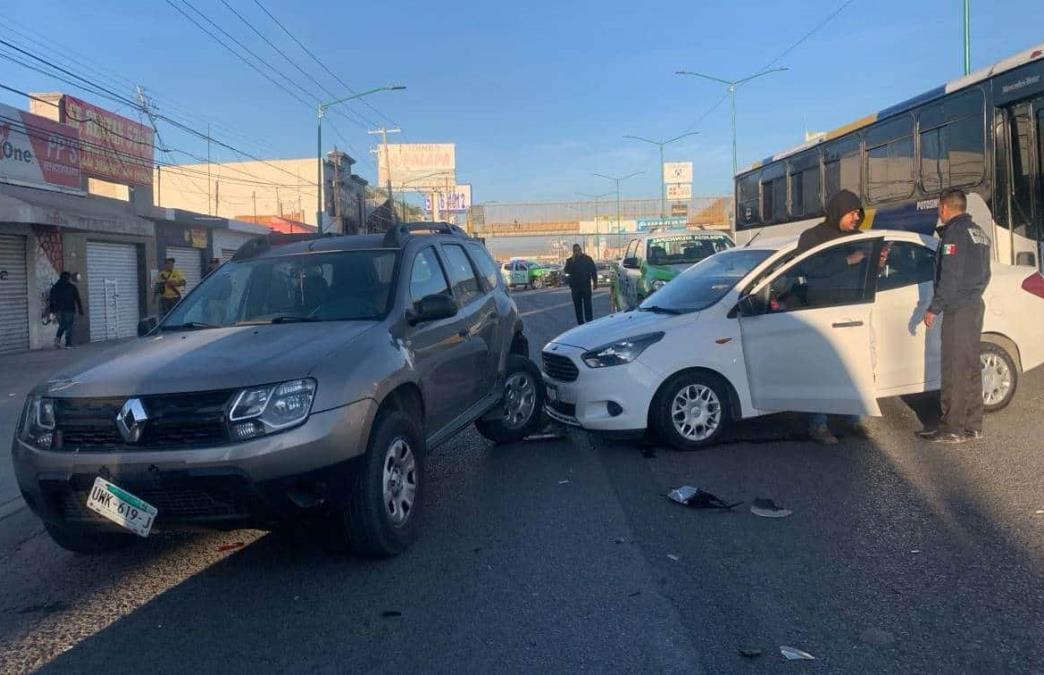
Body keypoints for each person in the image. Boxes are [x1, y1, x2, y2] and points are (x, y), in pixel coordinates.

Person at [795, 189, 872, 445]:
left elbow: (867, 269)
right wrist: (847, 261)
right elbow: (807, 267)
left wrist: (878, 260)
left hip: (854, 312)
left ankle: (855, 419)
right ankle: (818, 423)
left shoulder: (860, 237)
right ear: (838, 211)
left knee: (854, 368)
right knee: (822, 370)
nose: (855, 219)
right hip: (822, 313)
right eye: (851, 214)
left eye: (858, 214)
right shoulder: (813, 237)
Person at [920, 189, 991, 444]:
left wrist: (933, 308)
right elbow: (985, 275)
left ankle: (951, 428)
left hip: (958, 309)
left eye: (939, 209)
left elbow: (950, 277)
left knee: (954, 369)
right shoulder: (979, 232)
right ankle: (973, 425)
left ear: (944, 208)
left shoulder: (954, 233)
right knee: (971, 366)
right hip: (974, 306)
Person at [564, 243, 597, 325]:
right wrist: (573, 260)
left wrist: (595, 282)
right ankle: (580, 324)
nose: (577, 252)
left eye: (579, 250)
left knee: (587, 305)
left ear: (581, 250)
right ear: (573, 251)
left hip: (586, 286)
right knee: (578, 307)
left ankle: (589, 322)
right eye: (575, 250)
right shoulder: (570, 261)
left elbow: (593, 270)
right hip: (575, 288)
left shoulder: (587, 259)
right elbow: (566, 271)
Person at [48, 272, 83, 349]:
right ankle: (68, 343)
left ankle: (57, 340)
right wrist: (80, 310)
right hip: (69, 310)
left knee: (62, 325)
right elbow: (77, 299)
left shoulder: (55, 287)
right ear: (68, 278)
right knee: (68, 326)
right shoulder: (72, 287)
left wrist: (51, 311)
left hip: (58, 310)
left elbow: (51, 300)